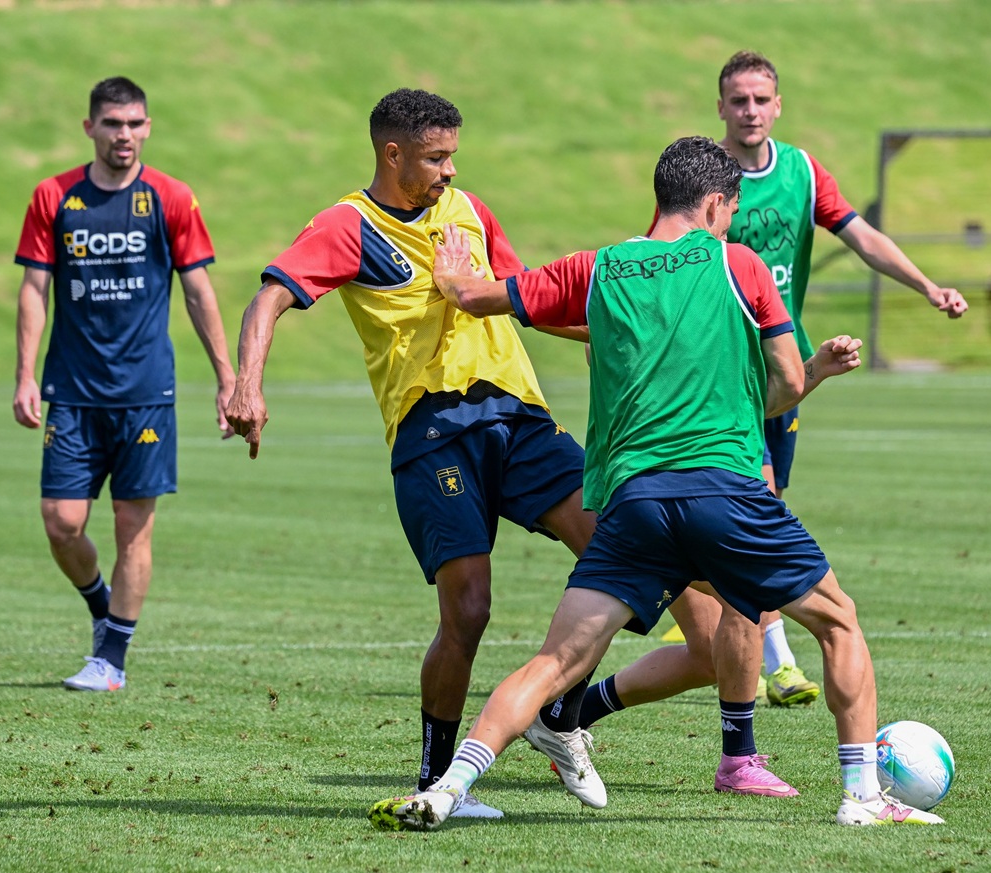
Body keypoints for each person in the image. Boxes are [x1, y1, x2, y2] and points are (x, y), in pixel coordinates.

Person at [370, 135, 944, 831]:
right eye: (730, 209)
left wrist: (453, 276)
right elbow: (787, 384)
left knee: (555, 660)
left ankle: (447, 787)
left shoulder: (599, 266)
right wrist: (813, 373)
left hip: (632, 504)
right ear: (714, 203)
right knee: (837, 621)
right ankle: (861, 795)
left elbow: (476, 297)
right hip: (726, 493)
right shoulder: (742, 266)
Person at [223, 88, 605, 819]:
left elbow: (519, 294)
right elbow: (269, 297)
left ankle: (559, 716)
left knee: (619, 546)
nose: (449, 171)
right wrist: (248, 386)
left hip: (520, 415)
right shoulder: (349, 225)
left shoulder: (470, 211)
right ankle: (439, 782)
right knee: (468, 608)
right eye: (435, 157)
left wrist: (613, 331)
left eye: (453, 155)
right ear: (391, 153)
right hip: (432, 430)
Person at [582, 50, 973, 719]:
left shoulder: (800, 171)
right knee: (748, 510)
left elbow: (862, 236)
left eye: (761, 99)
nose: (751, 111)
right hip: (712, 377)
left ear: (778, 104)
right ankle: (772, 665)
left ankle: (734, 667)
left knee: (760, 509)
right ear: (721, 108)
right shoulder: (698, 185)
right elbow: (648, 276)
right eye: (739, 100)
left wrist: (927, 285)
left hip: (779, 366)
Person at [12, 77, 235, 693]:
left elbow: (197, 290)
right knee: (61, 521)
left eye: (136, 123)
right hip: (72, 393)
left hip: (146, 393)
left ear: (148, 127)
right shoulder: (54, 196)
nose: (125, 135)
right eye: (113, 124)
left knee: (133, 527)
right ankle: (101, 607)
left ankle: (110, 661)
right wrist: (25, 375)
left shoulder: (171, 198)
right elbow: (35, 290)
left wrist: (227, 378)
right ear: (90, 128)